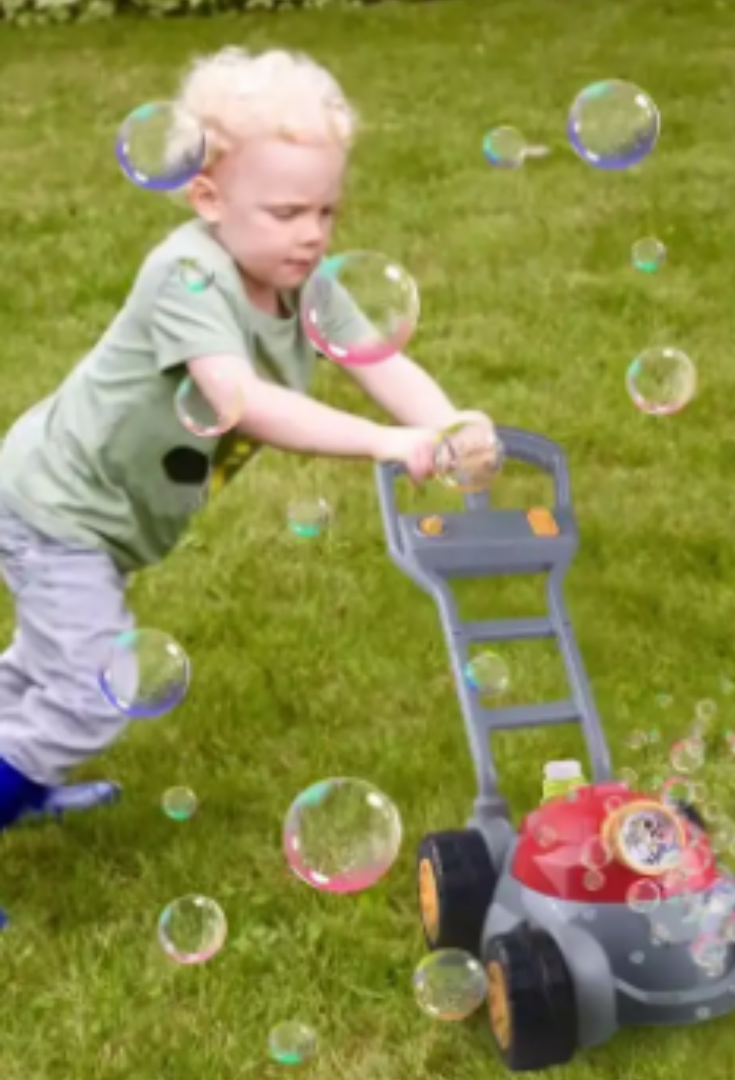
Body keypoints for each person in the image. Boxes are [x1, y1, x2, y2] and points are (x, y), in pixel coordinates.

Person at [0, 48, 493, 853]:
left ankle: (23, 769)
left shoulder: (305, 282)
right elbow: (240, 401)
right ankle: (21, 770)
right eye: (286, 212)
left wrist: (445, 426)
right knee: (96, 692)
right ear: (208, 197)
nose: (310, 236)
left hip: (105, 512)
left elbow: (377, 360)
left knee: (42, 670)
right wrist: (385, 443)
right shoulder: (187, 277)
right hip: (56, 507)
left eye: (326, 212)